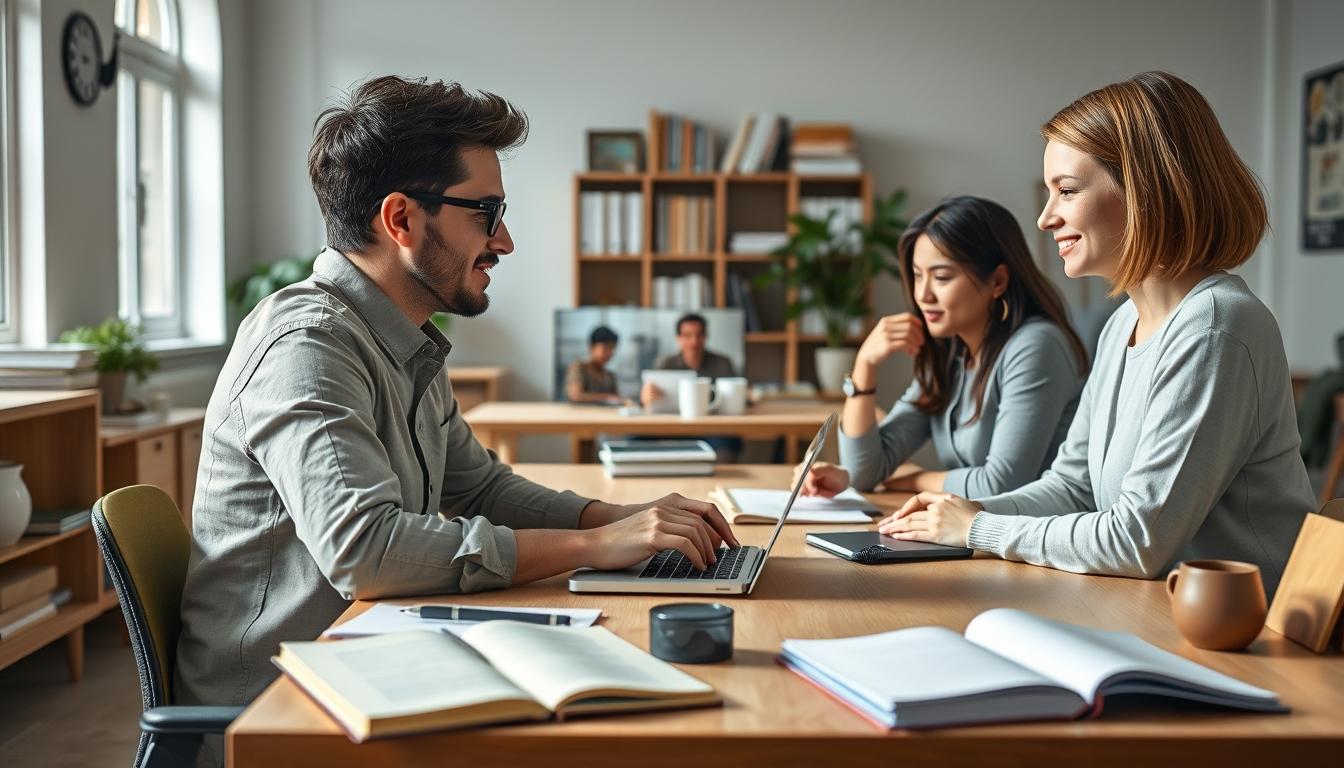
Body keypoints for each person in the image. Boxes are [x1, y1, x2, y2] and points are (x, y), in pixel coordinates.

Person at [175, 76, 738, 721]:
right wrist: (594, 548)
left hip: (373, 661)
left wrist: (620, 519)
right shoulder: (307, 347)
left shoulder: (406, 337)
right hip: (275, 713)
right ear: (401, 219)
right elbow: (366, 551)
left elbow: (478, 490)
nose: (505, 241)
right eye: (487, 213)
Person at [880, 72, 1313, 596]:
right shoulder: (1121, 327)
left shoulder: (1214, 328)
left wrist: (977, 529)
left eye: (1065, 191)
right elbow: (1073, 486)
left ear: (1146, 191)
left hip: (1247, 641)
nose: (1044, 219)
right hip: (1148, 612)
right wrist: (964, 513)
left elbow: (1136, 539)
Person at [796, 196, 1088, 499]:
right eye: (917, 276)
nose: (923, 295)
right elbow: (865, 472)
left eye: (941, 277)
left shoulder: (1036, 346)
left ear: (998, 281)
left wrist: (916, 479)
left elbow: (1000, 485)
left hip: (1031, 539)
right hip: (976, 537)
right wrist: (863, 368)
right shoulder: (951, 355)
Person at [639, 312, 737, 408]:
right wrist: (647, 396)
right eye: (687, 335)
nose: (694, 341)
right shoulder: (665, 364)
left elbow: (736, 396)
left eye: (699, 335)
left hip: (716, 420)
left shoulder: (723, 363)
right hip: (673, 421)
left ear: (706, 336)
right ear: (678, 338)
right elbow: (648, 400)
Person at [565, 325, 623, 404]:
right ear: (591, 347)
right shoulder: (579, 367)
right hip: (580, 415)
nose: (610, 353)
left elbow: (617, 399)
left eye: (612, 348)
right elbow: (575, 395)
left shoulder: (610, 376)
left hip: (604, 416)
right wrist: (607, 397)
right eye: (606, 348)